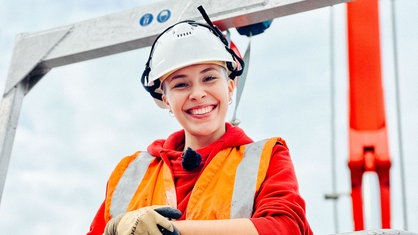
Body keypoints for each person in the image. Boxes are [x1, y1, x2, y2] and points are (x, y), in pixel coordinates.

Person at [87, 7, 313, 235]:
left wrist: (171, 230)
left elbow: (286, 228)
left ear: (230, 85)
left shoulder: (266, 158)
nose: (197, 93)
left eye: (209, 77)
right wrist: (114, 230)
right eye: (181, 84)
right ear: (165, 99)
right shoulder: (131, 173)